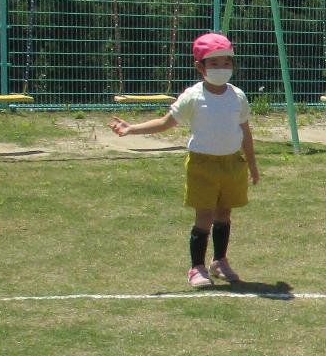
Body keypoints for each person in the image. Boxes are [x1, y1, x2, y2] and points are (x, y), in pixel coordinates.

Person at [110, 32, 260, 288]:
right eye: (214, 63)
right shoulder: (193, 96)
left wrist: (253, 165)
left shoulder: (237, 96)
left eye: (226, 62)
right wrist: (131, 128)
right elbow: (166, 122)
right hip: (203, 165)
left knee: (224, 214)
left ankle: (219, 261)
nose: (221, 68)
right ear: (200, 67)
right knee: (204, 216)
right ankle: (197, 268)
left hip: (232, 164)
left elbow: (245, 132)